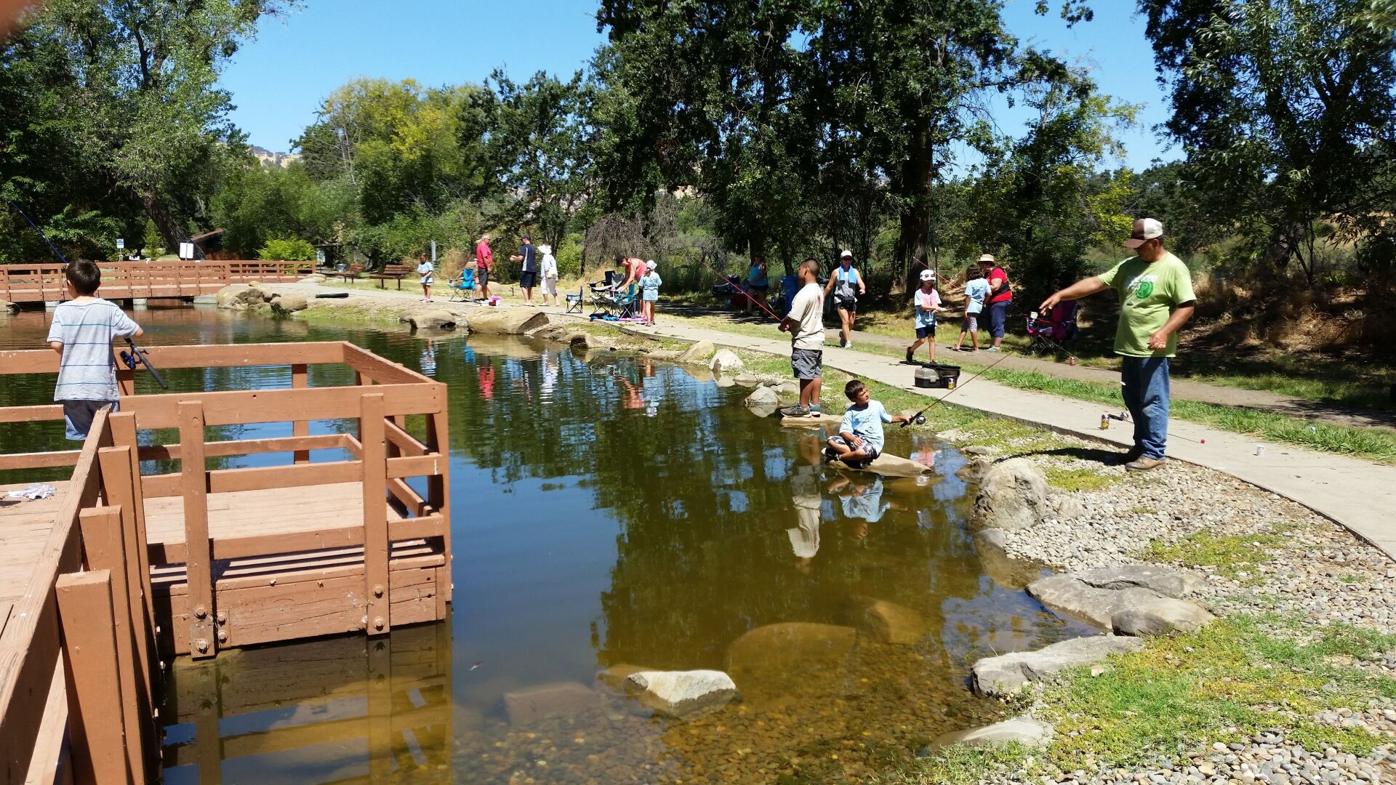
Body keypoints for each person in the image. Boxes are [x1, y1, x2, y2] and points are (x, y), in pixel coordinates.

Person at [1039, 217, 1196, 471]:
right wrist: (1061, 295)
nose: (1135, 249)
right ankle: (1141, 447)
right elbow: (1096, 283)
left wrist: (1164, 332)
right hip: (1129, 345)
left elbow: (1186, 306)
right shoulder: (1129, 265)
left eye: (1140, 245)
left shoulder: (1174, 267)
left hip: (1153, 349)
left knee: (1152, 400)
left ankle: (1155, 452)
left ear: (1155, 242)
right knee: (1133, 398)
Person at [46, 260, 143, 440]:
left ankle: (91, 468)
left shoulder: (62, 310)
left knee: (84, 440)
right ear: (98, 285)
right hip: (102, 386)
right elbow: (138, 331)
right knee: (110, 436)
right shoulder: (109, 309)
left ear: (69, 284)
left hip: (72, 387)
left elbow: (56, 345)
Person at [823, 378, 910, 468]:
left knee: (861, 452)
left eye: (866, 391)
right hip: (856, 441)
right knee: (830, 440)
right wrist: (853, 438)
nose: (867, 395)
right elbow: (844, 431)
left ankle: (840, 457)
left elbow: (888, 418)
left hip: (872, 444)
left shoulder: (877, 405)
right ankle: (853, 456)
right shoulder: (851, 412)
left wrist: (902, 418)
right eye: (862, 394)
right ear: (853, 399)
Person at [778, 258, 825, 417]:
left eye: (799, 268)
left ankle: (803, 407)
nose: (798, 271)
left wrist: (783, 323)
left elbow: (794, 316)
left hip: (805, 341)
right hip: (817, 340)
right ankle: (815, 406)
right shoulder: (818, 290)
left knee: (805, 374)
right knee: (815, 373)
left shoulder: (804, 293)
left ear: (805, 270)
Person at [823, 250, 865, 348]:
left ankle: (843, 334)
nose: (847, 261)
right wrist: (822, 297)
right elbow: (829, 286)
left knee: (851, 322)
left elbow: (860, 282)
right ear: (841, 260)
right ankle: (848, 342)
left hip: (851, 299)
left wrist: (863, 288)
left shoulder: (855, 272)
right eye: (845, 259)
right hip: (839, 299)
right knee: (845, 321)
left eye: (849, 259)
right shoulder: (836, 272)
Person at [905, 269, 942, 364]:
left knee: (931, 339)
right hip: (921, 320)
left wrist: (936, 309)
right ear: (922, 281)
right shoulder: (918, 293)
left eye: (932, 280)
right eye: (928, 280)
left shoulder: (934, 292)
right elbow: (922, 306)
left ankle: (932, 360)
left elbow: (936, 304)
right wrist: (933, 307)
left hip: (931, 320)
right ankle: (910, 350)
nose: (930, 282)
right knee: (922, 340)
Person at [979, 253, 1012, 351]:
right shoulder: (987, 274)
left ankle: (996, 346)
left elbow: (995, 286)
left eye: (982, 264)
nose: (980, 266)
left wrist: (980, 287)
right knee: (987, 320)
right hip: (990, 301)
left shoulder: (997, 271)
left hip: (1001, 301)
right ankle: (993, 343)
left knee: (997, 321)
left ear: (987, 263)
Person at [955, 265, 990, 352]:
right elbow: (989, 294)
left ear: (970, 273)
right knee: (965, 325)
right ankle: (958, 345)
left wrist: (966, 309)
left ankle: (976, 347)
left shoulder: (970, 283)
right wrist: (984, 303)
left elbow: (968, 297)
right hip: (978, 306)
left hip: (971, 307)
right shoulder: (984, 281)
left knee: (972, 327)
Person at [510, 236, 538, 305]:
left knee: (523, 285)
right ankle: (530, 301)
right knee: (530, 286)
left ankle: (526, 301)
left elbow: (520, 258)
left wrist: (514, 258)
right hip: (533, 268)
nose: (521, 241)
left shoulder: (524, 247)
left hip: (525, 268)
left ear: (525, 240)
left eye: (522, 240)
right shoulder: (533, 247)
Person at [640, 260, 662, 325]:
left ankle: (648, 321)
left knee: (647, 307)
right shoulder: (656, 275)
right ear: (654, 267)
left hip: (646, 292)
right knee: (653, 307)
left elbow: (640, 285)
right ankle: (652, 319)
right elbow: (660, 283)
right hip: (654, 293)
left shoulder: (644, 275)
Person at [474, 232, 494, 300]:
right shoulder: (482, 246)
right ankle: (476, 298)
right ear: (484, 239)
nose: (489, 241)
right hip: (483, 267)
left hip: (484, 267)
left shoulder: (484, 245)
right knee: (481, 283)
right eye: (489, 239)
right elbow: (485, 257)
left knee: (485, 283)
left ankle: (485, 297)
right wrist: (488, 266)